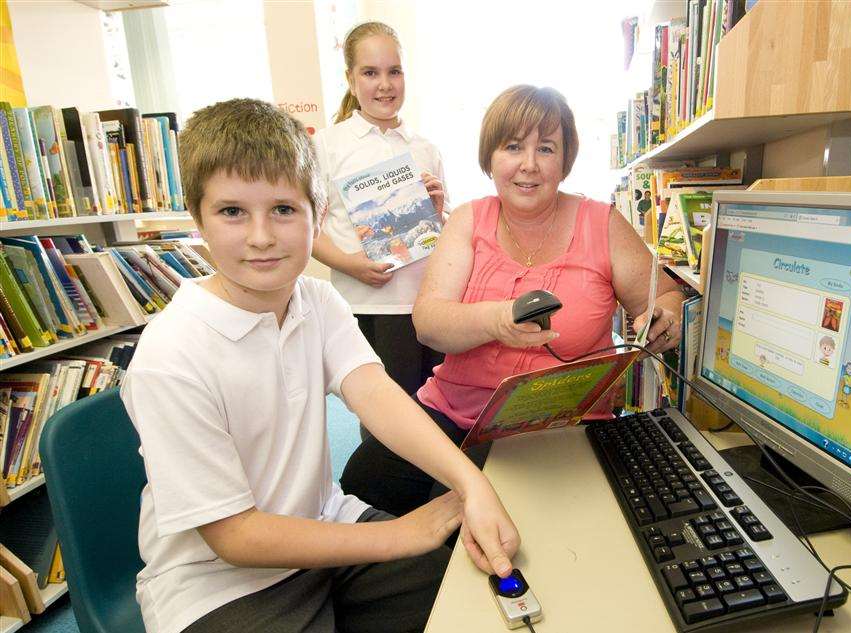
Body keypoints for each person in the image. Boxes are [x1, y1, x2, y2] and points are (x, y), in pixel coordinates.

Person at [120, 99, 518, 633]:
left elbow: (375, 395)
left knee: (469, 606)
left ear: (317, 211)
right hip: (217, 583)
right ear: (198, 218)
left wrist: (473, 485)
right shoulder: (172, 355)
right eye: (233, 211)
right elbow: (233, 536)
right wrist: (401, 535)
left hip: (325, 527)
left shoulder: (317, 299)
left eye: (284, 210)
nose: (261, 237)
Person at [340, 85, 686, 517]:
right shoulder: (468, 219)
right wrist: (500, 320)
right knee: (364, 481)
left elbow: (665, 296)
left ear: (565, 160)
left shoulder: (604, 223)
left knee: (460, 515)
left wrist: (665, 316)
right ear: (490, 157)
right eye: (512, 147)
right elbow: (428, 322)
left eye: (545, 148)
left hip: (559, 425)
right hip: (454, 413)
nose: (528, 165)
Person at [312, 22, 447, 432]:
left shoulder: (423, 147)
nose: (384, 84)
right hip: (370, 307)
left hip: (427, 305)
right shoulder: (327, 145)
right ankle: (388, 497)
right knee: (387, 421)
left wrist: (437, 211)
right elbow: (305, 230)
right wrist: (350, 264)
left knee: (436, 410)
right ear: (351, 79)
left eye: (394, 71)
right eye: (370, 73)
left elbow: (439, 235)